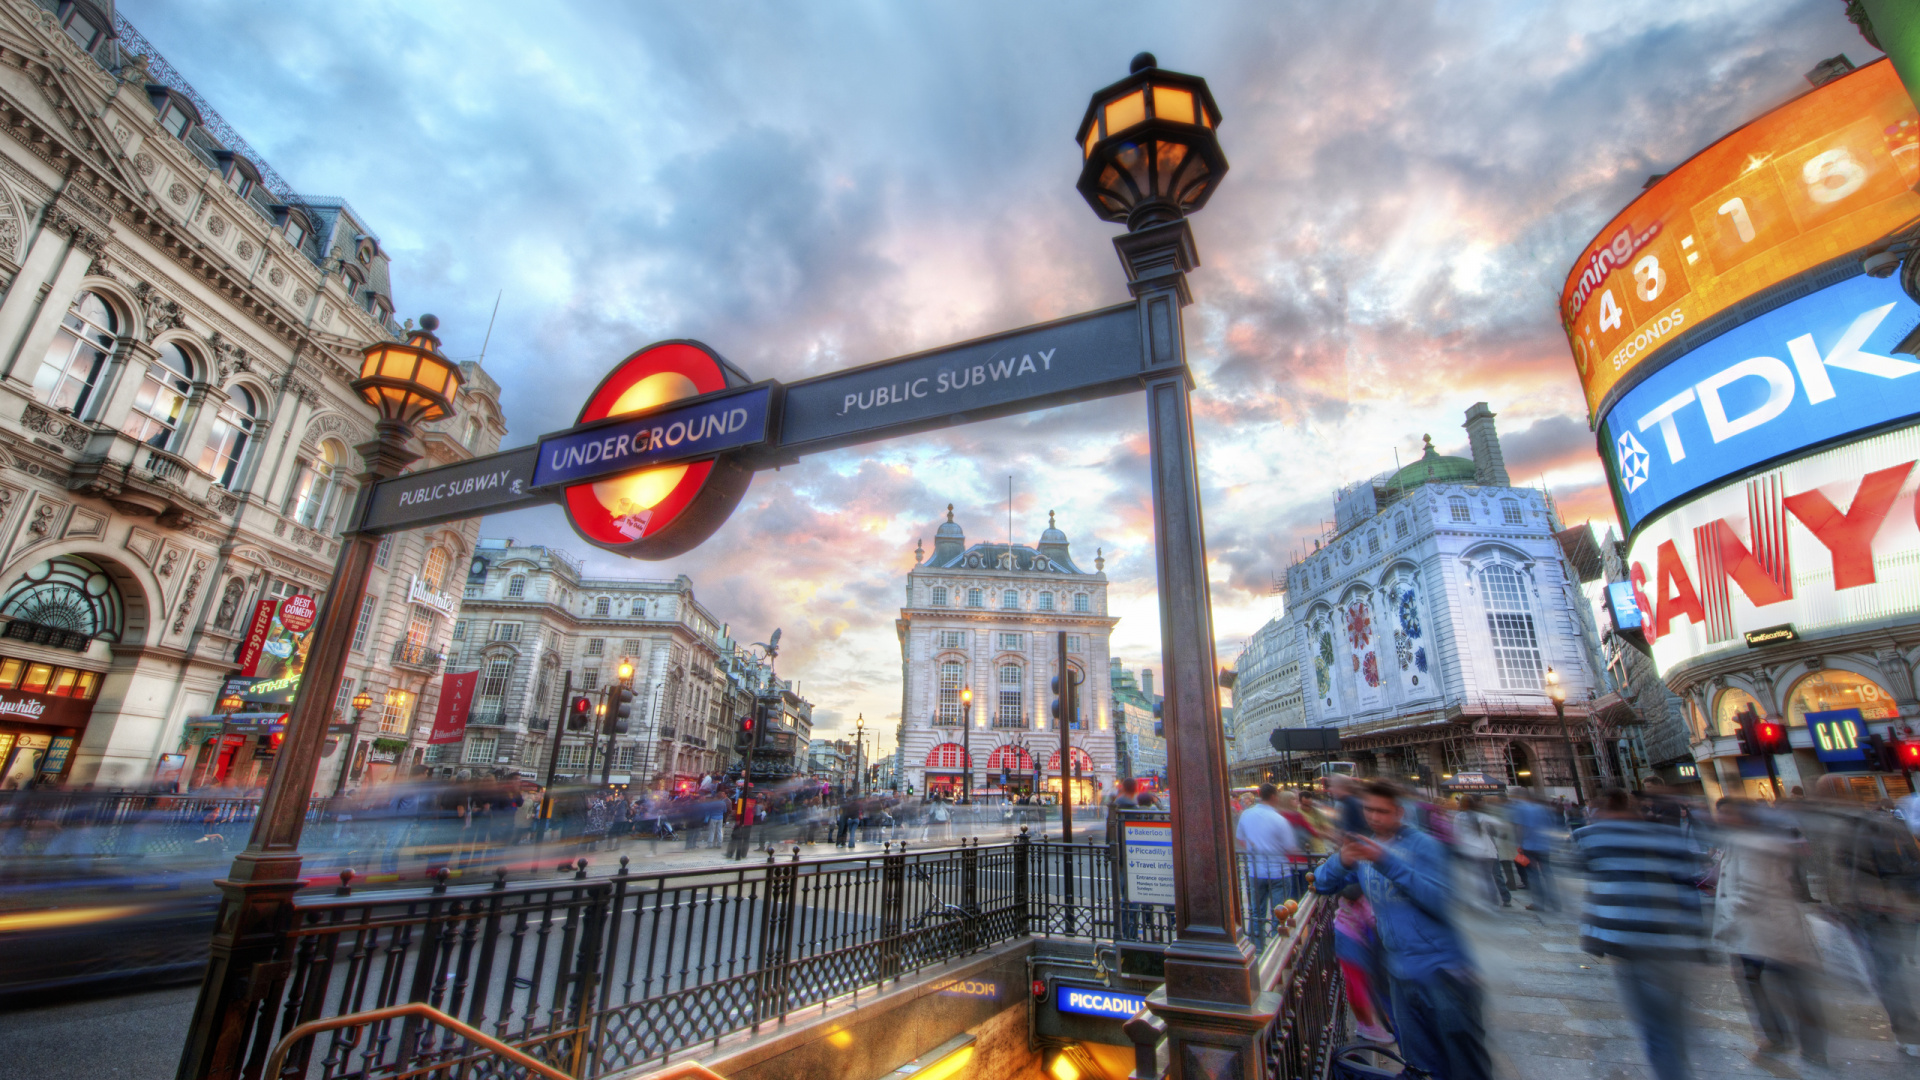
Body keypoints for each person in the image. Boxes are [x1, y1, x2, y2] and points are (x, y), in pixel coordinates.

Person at [1314, 780, 1485, 1080]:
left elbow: (1440, 900)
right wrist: (1341, 860)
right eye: (1369, 809)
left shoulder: (1424, 846)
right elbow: (1321, 883)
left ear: (1399, 812)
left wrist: (1386, 862)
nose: (1374, 817)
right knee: (1419, 1064)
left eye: (1382, 811)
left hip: (1443, 973)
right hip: (1400, 974)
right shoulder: (1367, 850)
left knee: (1464, 1064)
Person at [1573, 788, 1705, 1080]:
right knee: (1673, 1027)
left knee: (1654, 1029)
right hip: (1672, 941)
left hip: (1628, 944)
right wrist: (1699, 943)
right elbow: (1688, 888)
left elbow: (1583, 867)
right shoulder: (1665, 836)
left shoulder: (1591, 836)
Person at [1804, 773, 1920, 1057]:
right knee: (1889, 970)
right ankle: (1907, 1030)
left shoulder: (1847, 824)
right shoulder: (1858, 821)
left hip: (1873, 908)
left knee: (1887, 971)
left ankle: (1908, 1031)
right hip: (1876, 907)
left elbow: (1838, 870)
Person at [1713, 797, 1824, 1065]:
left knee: (1776, 983)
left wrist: (1727, 921)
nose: (1723, 819)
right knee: (1775, 983)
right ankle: (1797, 1042)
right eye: (1721, 813)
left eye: (1728, 813)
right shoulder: (1743, 840)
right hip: (1761, 928)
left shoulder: (1752, 843)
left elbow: (1751, 892)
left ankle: (1791, 1041)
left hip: (1760, 927)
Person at [1235, 783, 1300, 934]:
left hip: (1256, 871)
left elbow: (1240, 839)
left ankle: (1256, 943)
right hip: (1279, 872)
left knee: (1256, 912)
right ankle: (1279, 944)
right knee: (1280, 914)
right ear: (1273, 796)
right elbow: (1290, 847)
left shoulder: (1246, 814)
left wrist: (1253, 848)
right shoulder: (1279, 819)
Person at [1453, 795, 1509, 909]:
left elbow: (1456, 833)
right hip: (1486, 851)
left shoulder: (1458, 817)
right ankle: (1493, 902)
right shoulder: (1480, 816)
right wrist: (1501, 834)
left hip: (1470, 851)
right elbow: (1500, 824)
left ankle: (1481, 901)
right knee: (1488, 877)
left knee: (1476, 878)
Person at [1512, 790, 1561, 912]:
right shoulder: (1542, 808)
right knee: (1547, 874)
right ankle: (1555, 902)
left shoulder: (1521, 808)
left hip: (1529, 846)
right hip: (1544, 846)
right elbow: (1550, 826)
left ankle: (1539, 903)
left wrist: (1519, 843)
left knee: (1534, 876)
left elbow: (1520, 827)